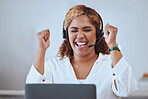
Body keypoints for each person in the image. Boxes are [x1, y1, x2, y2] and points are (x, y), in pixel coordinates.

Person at [26, 5, 138, 99]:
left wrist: (112, 45)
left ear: (98, 34)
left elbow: (127, 89)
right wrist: (41, 50)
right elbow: (33, 93)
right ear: (66, 35)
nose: (80, 36)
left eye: (87, 30)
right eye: (74, 30)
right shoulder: (54, 67)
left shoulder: (111, 64)